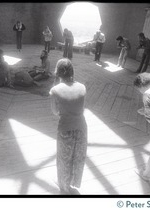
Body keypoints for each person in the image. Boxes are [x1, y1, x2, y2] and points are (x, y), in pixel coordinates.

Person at [49, 58, 88, 194]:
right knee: (78, 157)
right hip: (82, 127)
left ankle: (64, 186)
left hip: (65, 128)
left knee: (63, 158)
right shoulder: (82, 87)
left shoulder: (54, 90)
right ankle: (73, 183)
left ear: (58, 72)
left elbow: (55, 112)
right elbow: (82, 109)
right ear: (72, 70)